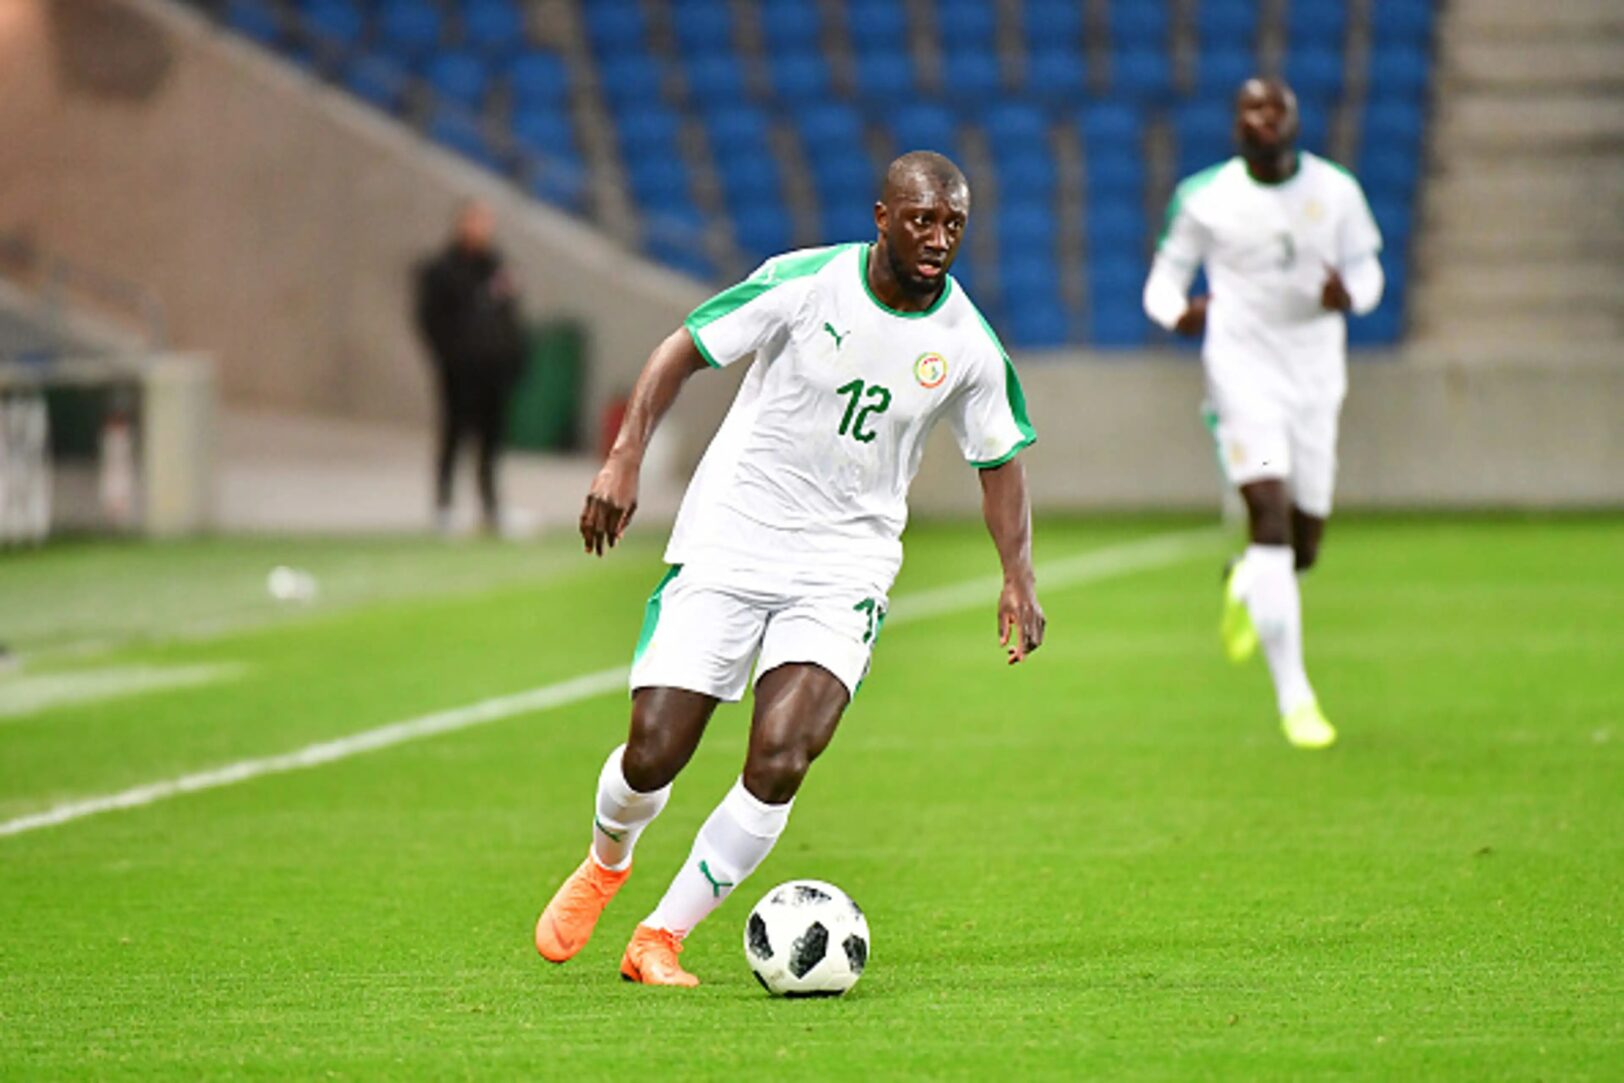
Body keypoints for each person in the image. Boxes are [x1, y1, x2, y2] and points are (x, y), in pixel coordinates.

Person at [534, 151, 1045, 986]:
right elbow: (683, 348)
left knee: (782, 754)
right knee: (654, 752)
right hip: (732, 537)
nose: (938, 239)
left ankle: (659, 936)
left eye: (953, 224)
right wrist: (625, 456)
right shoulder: (806, 283)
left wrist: (1017, 573)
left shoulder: (968, 346)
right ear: (882, 216)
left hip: (845, 564)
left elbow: (1001, 460)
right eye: (922, 219)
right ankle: (606, 859)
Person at [1142, 78, 1384, 750]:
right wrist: (1178, 312)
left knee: (1302, 544)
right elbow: (1162, 282)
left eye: (1275, 108)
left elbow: (1369, 272)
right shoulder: (1205, 198)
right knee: (1269, 514)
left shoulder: (1336, 192)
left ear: (1294, 121)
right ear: (1237, 124)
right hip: (1243, 377)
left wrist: (1351, 295)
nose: (1263, 118)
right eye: (1250, 108)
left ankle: (1248, 576)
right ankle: (1296, 698)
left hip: (1314, 379)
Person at [413, 200, 526, 534]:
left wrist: (512, 357)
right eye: (474, 221)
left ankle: (491, 508)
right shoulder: (443, 269)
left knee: (492, 441)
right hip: (460, 371)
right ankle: (444, 506)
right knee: (453, 436)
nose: (479, 229)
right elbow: (429, 319)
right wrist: (450, 355)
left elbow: (510, 317)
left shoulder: (497, 266)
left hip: (495, 372)